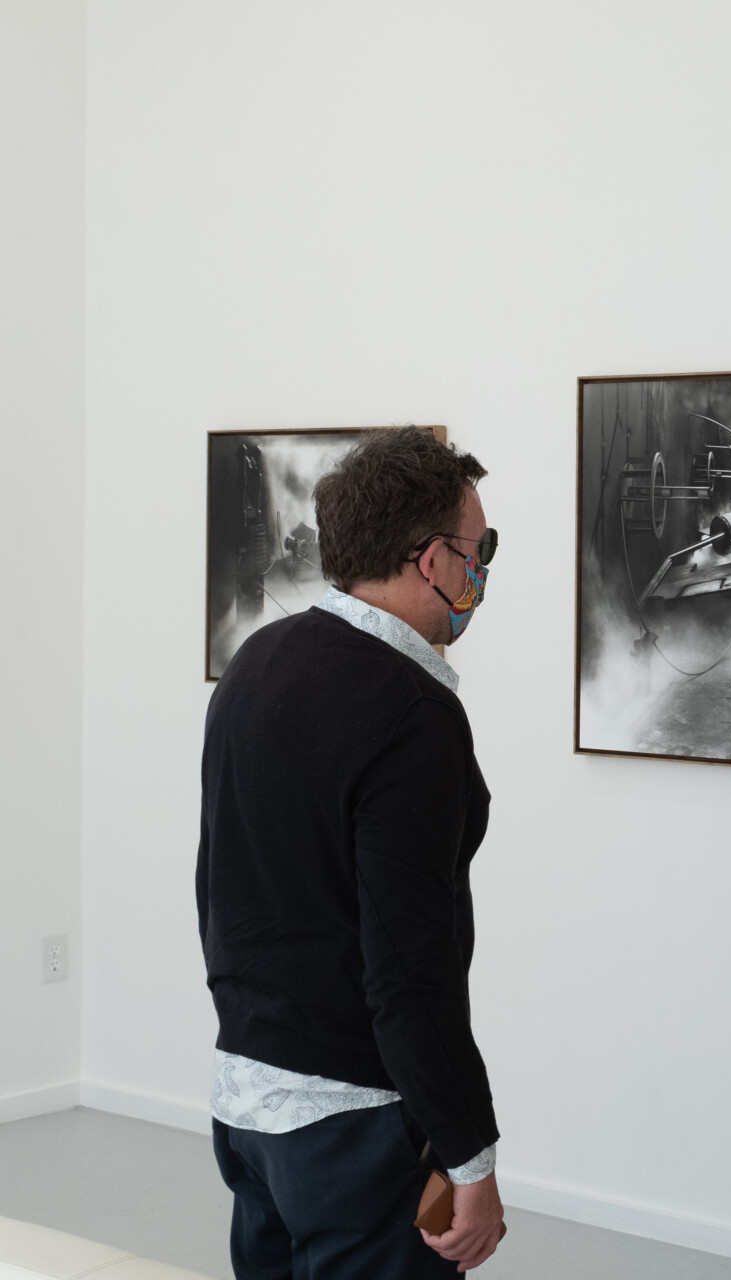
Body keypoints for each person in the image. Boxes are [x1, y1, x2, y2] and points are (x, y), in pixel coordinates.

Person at [197, 427, 505, 1278]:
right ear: (432, 558)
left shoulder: (254, 663)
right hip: (358, 1127)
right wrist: (468, 1151)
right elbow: (410, 962)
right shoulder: (412, 713)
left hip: (247, 1103)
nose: (482, 575)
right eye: (480, 552)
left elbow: (217, 891)